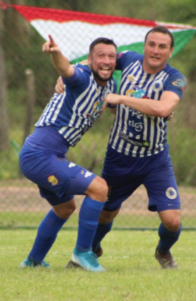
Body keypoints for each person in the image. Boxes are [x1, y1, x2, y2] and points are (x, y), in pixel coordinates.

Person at [61, 26, 187, 269]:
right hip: (119, 157)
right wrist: (67, 73)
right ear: (144, 45)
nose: (155, 50)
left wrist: (121, 98)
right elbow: (98, 59)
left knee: (172, 221)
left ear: (171, 51)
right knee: (106, 213)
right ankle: (89, 251)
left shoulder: (175, 78)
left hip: (155, 160)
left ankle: (163, 250)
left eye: (162, 47)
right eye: (151, 44)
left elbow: (163, 109)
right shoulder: (128, 59)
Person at [18, 35, 117, 272]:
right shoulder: (81, 78)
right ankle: (83, 253)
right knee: (100, 188)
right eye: (100, 56)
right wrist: (55, 53)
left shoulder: (111, 86)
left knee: (65, 208)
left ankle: (32, 261)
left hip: (47, 155)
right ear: (90, 60)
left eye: (111, 56)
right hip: (40, 154)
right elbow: (67, 69)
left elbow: (118, 103)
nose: (106, 61)